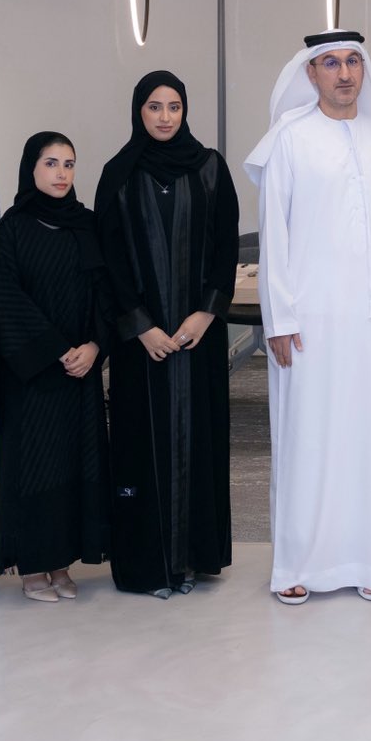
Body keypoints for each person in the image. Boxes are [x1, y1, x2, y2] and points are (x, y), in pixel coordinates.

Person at [244, 31, 371, 604]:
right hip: (309, 322)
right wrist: (279, 318)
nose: (344, 73)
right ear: (310, 73)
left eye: (353, 61)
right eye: (331, 63)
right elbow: (274, 233)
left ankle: (370, 563)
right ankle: (297, 565)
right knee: (308, 440)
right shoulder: (290, 138)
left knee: (370, 440)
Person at [95, 71, 240, 598]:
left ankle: (194, 558)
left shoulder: (209, 167)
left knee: (199, 437)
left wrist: (206, 314)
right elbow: (107, 258)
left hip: (199, 337)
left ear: (185, 111)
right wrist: (141, 327)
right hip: (141, 345)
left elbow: (226, 246)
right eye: (154, 106)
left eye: (174, 106)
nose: (164, 116)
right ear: (139, 111)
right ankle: (148, 566)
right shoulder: (119, 173)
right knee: (140, 445)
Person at [0, 132, 113, 601]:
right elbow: (7, 299)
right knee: (36, 467)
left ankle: (62, 563)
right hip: (33, 375)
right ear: (30, 168)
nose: (61, 173)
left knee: (75, 465)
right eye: (51, 163)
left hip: (80, 372)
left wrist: (94, 345)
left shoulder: (87, 225)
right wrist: (57, 349)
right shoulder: (13, 228)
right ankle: (34, 567)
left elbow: (106, 293)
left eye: (69, 164)